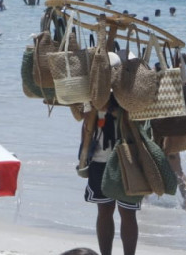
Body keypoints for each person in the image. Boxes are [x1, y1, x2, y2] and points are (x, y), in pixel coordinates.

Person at [80, 98, 140, 255]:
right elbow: (85, 119)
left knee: (127, 212)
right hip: (100, 158)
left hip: (129, 158)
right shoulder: (93, 93)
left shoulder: (131, 90)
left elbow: (140, 116)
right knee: (105, 210)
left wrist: (114, 110)